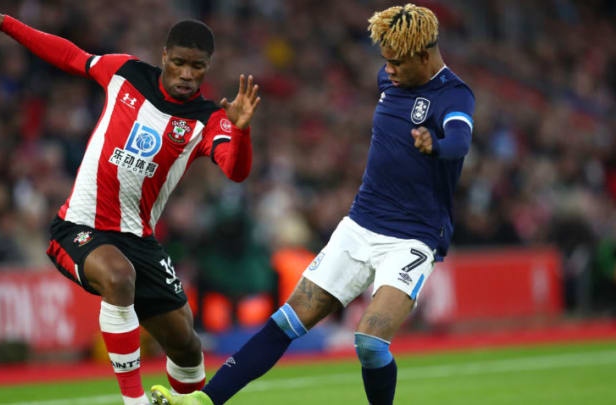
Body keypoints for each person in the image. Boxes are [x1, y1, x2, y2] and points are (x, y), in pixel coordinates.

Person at [151, 3, 474, 405]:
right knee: (285, 321)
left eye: (396, 62)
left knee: (370, 343)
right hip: (360, 225)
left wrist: (435, 144)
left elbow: (460, 140)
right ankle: (203, 401)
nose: (387, 70)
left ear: (424, 55)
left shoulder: (454, 94)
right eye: (385, 61)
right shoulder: (390, 80)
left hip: (412, 239)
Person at [0, 3, 260, 405]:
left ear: (208, 66)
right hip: (80, 227)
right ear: (164, 55)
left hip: (139, 239)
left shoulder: (209, 118)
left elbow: (235, 170)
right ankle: (133, 402)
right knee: (118, 277)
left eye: (198, 67)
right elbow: (68, 55)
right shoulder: (126, 73)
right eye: (181, 63)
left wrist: (240, 131)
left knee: (186, 346)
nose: (187, 74)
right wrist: (6, 24)